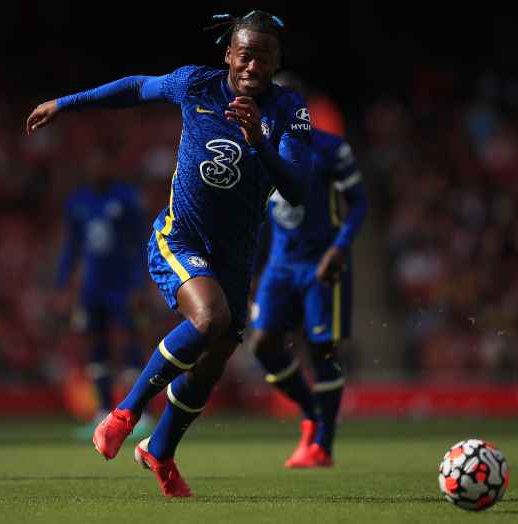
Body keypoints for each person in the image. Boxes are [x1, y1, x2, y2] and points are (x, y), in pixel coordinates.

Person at [27, 10, 311, 497]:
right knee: (209, 319)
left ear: (276, 61)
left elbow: (298, 187)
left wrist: (260, 139)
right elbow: (137, 86)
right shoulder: (196, 86)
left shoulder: (289, 110)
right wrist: (65, 102)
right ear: (228, 54)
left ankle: (160, 451)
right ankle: (124, 412)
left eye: (264, 57)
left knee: (213, 360)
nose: (252, 66)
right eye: (245, 54)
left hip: (235, 255)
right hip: (180, 237)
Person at [249, 71, 368, 468]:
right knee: (263, 345)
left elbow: (360, 204)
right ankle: (311, 411)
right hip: (279, 267)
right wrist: (250, 271)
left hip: (321, 265)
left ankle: (323, 445)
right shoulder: (257, 149)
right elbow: (258, 217)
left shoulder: (332, 149)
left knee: (323, 350)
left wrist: (340, 248)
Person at [55, 155, 153, 440]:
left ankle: (140, 413)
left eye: (103, 163)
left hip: (123, 287)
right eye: (93, 164)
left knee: (132, 344)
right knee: (97, 348)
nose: (98, 168)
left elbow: (141, 243)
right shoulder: (77, 202)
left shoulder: (127, 199)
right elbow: (71, 247)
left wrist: (140, 285)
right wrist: (63, 285)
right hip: (91, 289)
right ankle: (102, 411)